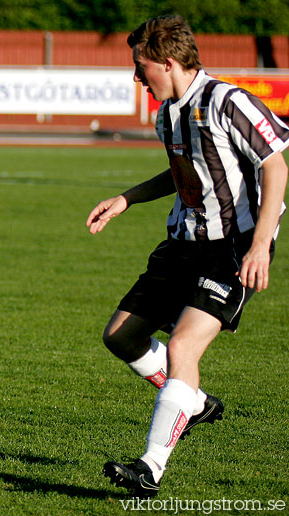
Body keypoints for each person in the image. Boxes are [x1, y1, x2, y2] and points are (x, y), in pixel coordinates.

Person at [86, 15, 289, 497]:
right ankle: (192, 403)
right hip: (183, 245)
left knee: (181, 348)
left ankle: (150, 467)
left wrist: (261, 244)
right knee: (121, 336)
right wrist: (127, 199)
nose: (136, 77)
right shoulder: (167, 113)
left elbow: (276, 167)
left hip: (233, 249)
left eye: (141, 66)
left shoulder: (228, 100)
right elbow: (184, 173)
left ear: (168, 62)